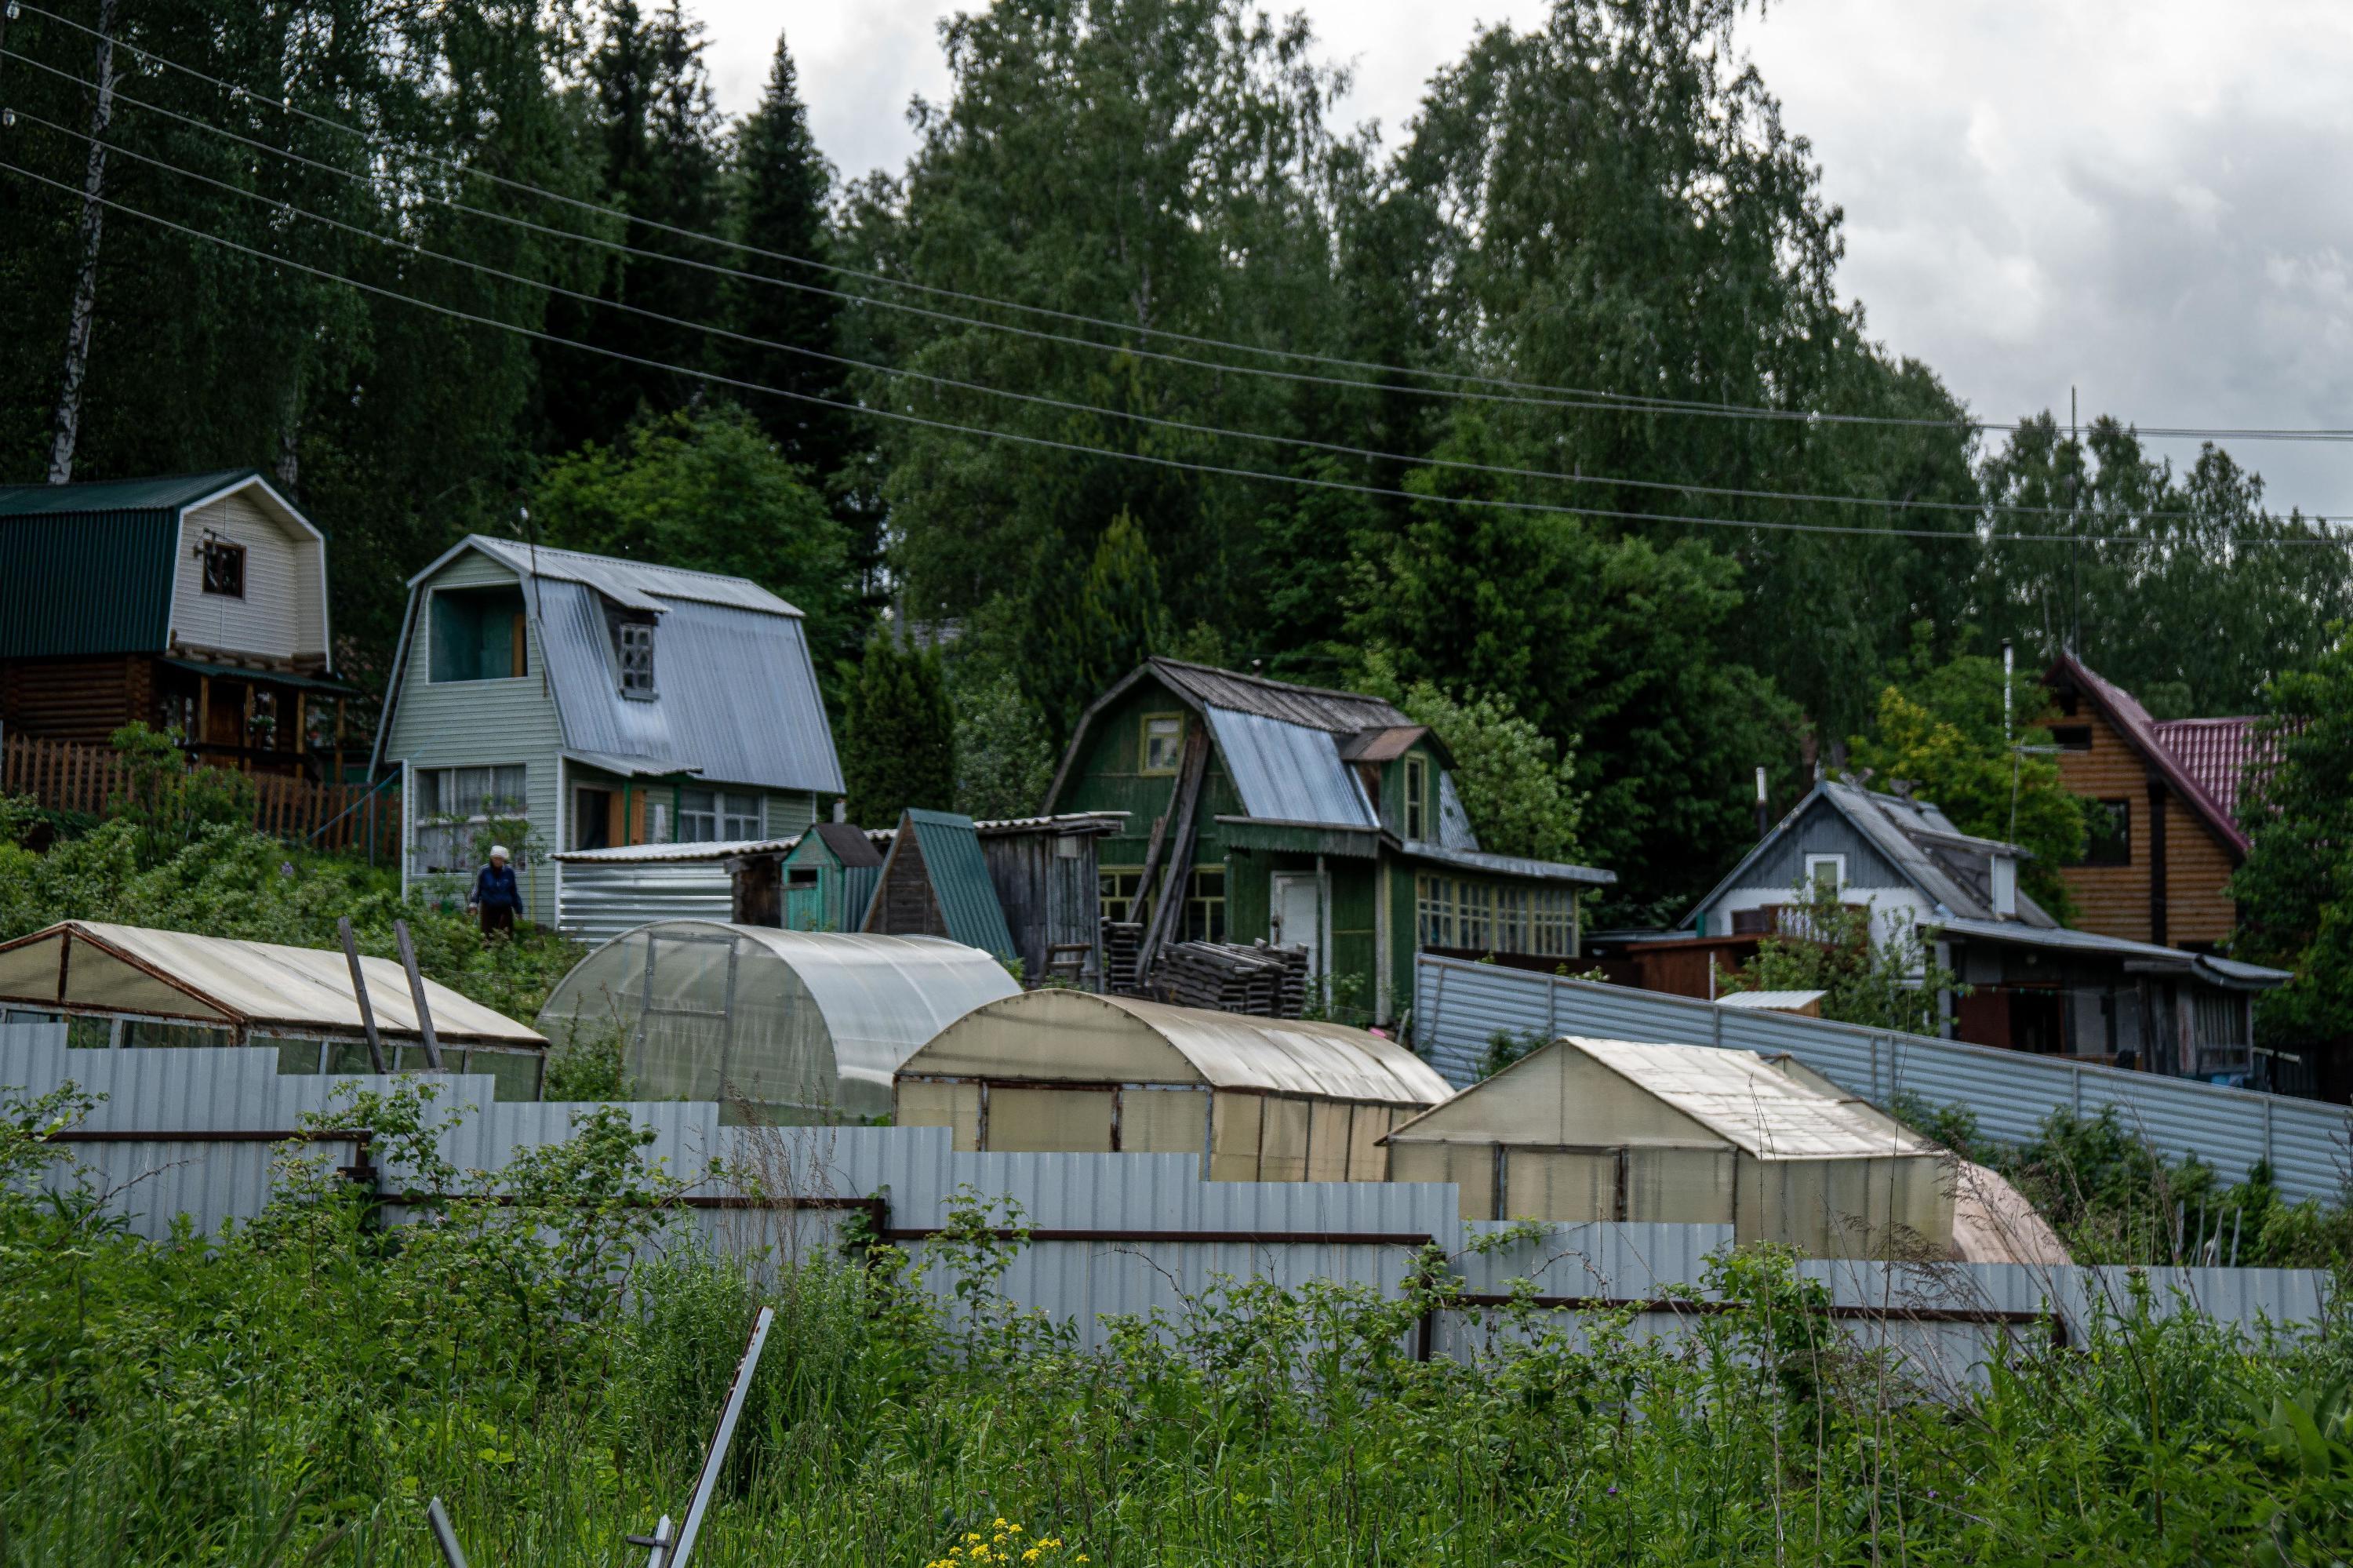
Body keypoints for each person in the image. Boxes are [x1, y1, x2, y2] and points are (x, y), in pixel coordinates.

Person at [470, 845, 522, 938]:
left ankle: (505, 951)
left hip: (505, 908)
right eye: (495, 859)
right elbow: (477, 888)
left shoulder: (509, 872)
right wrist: (473, 904)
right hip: (488, 907)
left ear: (504, 860)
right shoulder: (484, 871)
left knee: (506, 936)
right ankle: (487, 950)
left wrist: (519, 910)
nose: (498, 861)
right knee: (487, 936)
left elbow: (514, 892)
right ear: (491, 858)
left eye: (500, 859)